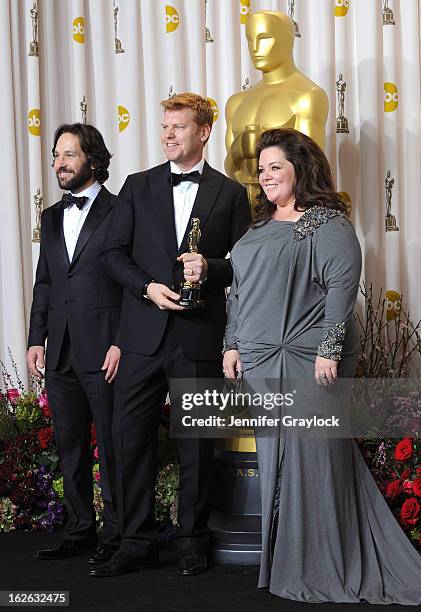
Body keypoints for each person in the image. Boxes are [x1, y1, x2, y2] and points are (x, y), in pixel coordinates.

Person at [223, 128, 421, 605]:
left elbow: (340, 290)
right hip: (258, 360)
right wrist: (231, 344)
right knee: (277, 462)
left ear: (300, 170)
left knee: (314, 460)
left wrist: (330, 349)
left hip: (308, 361)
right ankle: (288, 562)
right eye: (262, 168)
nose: (266, 176)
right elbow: (239, 293)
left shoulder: (327, 223)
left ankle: (324, 562)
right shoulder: (256, 228)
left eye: (276, 167)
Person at [93, 93, 251, 577]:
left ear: (203, 132)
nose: (167, 134)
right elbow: (112, 254)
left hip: (200, 337)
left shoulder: (230, 193)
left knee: (197, 450)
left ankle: (192, 542)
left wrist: (212, 266)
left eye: (178, 127)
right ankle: (136, 540)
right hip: (141, 337)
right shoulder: (136, 186)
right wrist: (147, 287)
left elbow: (244, 265)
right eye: (164, 126)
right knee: (130, 440)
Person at [27, 123, 122, 565]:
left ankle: (118, 535)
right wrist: (35, 339)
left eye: (68, 155)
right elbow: (44, 283)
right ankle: (80, 529)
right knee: (70, 447)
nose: (59, 164)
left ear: (93, 159)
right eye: (56, 156)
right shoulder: (49, 216)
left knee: (112, 443)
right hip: (60, 349)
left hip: (105, 351)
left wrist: (122, 343)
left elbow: (131, 288)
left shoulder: (122, 211)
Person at [224, 10, 328, 207]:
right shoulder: (236, 102)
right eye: (250, 40)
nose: (255, 48)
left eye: (264, 38)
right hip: (242, 214)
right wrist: (239, 148)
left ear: (287, 40)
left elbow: (309, 167)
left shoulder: (308, 96)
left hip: (289, 214)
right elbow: (232, 168)